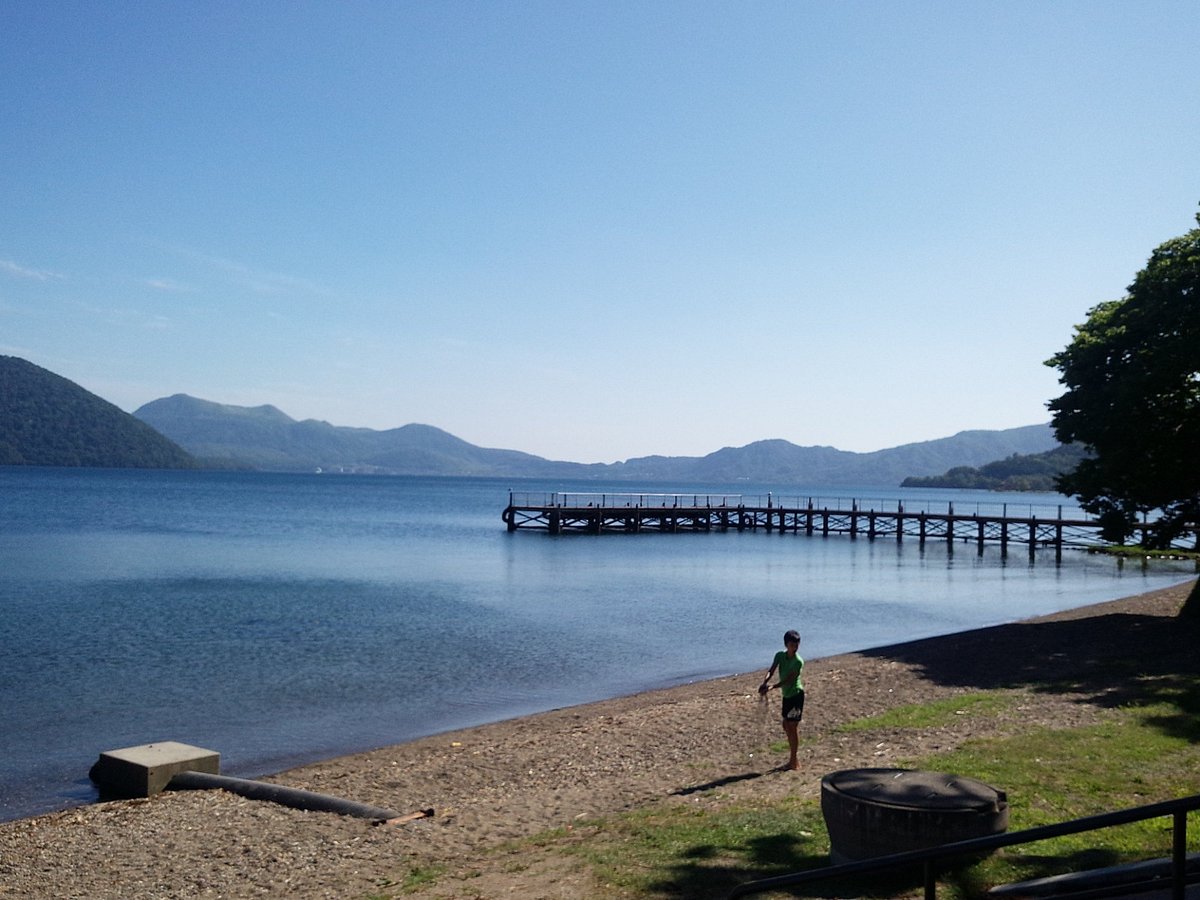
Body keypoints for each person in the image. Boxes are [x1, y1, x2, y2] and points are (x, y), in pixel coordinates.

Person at [759, 629, 805, 770]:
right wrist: (765, 682)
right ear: (786, 645)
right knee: (786, 725)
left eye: (796, 645)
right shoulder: (779, 656)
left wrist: (772, 687)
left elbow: (789, 680)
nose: (794, 648)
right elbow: (771, 670)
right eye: (792, 645)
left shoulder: (798, 661)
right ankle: (794, 759)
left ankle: (793, 761)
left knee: (792, 726)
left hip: (796, 695)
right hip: (786, 696)